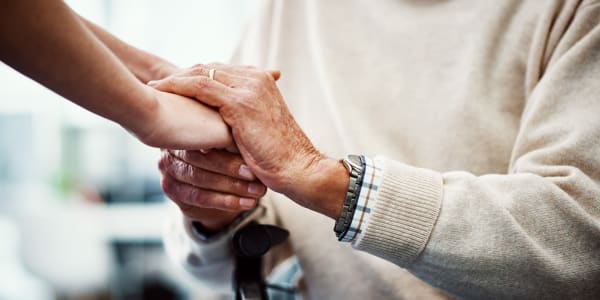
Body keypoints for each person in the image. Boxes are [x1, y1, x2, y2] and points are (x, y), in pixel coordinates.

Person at [156, 0, 600, 299]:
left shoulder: (575, 11)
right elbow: (213, 271)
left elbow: (581, 246)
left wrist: (317, 176)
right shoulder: (285, 9)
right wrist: (213, 213)